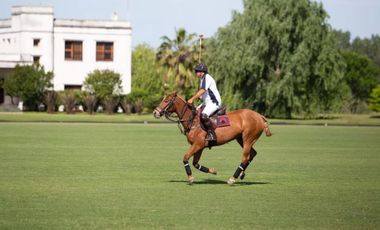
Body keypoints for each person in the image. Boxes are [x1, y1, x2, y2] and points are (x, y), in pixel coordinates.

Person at [187, 63, 222, 142]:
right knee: (195, 112)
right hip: (207, 102)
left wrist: (192, 99)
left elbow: (202, 90)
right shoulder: (202, 79)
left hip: (214, 102)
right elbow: (206, 92)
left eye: (197, 71)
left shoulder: (207, 78)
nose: (196, 73)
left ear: (202, 72)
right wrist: (201, 97)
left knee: (203, 115)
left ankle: (212, 135)